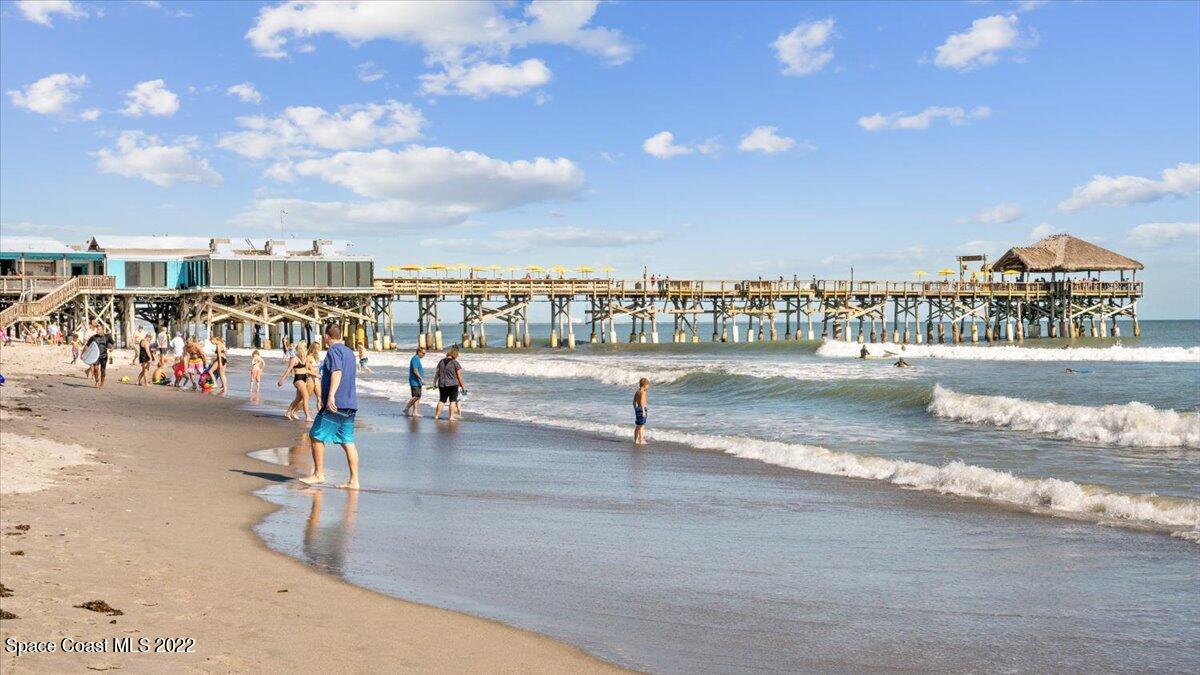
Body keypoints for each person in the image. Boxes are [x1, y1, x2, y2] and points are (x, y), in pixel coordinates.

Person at [300, 324, 360, 490]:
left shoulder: (333, 351)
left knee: (315, 435)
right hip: (350, 403)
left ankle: (318, 474)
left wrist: (331, 396)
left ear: (327, 336)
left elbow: (337, 372)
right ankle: (354, 481)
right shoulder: (349, 352)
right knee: (348, 441)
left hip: (337, 403)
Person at [278, 342, 312, 421]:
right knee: (306, 396)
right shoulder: (294, 359)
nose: (306, 349)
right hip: (298, 379)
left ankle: (288, 412)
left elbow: (306, 369)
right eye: (304, 347)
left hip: (304, 379)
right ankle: (308, 416)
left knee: (298, 399)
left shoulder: (305, 358)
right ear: (301, 349)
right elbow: (288, 370)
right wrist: (282, 379)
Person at [434, 347, 466, 421]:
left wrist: (434, 382)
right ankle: (451, 417)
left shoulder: (441, 361)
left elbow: (437, 373)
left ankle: (437, 416)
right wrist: (463, 386)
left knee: (441, 400)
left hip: (442, 384)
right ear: (455, 355)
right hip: (453, 384)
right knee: (452, 401)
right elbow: (459, 375)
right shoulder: (455, 362)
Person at [85, 324, 112, 389]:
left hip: (104, 356)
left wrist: (112, 348)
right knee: (95, 369)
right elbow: (87, 345)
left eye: (99, 329)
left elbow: (113, 343)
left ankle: (102, 383)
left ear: (103, 330)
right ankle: (97, 381)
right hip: (96, 355)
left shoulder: (107, 336)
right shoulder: (93, 337)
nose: (98, 331)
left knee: (103, 370)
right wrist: (85, 352)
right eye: (97, 329)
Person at [403, 347, 425, 417]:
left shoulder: (417, 359)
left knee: (418, 397)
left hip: (417, 381)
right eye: (423, 353)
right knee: (416, 396)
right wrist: (421, 379)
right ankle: (406, 408)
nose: (424, 355)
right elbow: (415, 370)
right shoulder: (415, 359)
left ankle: (415, 412)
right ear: (419, 352)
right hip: (414, 381)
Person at [633, 377, 650, 445]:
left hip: (637, 409)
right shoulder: (643, 392)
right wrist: (643, 411)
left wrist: (635, 409)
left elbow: (634, 402)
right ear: (645, 385)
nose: (648, 387)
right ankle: (641, 440)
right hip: (642, 409)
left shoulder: (637, 392)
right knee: (642, 426)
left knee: (637, 426)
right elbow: (642, 403)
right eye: (648, 385)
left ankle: (636, 440)